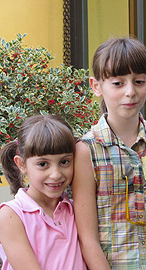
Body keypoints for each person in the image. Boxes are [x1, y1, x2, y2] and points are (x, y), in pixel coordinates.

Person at [72, 37, 146, 270]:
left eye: (139, 81)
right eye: (118, 83)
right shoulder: (86, 151)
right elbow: (88, 238)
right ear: (96, 86)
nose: (130, 92)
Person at [0, 115, 86, 270]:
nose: (56, 174)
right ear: (22, 164)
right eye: (42, 164)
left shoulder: (76, 209)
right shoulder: (11, 215)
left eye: (64, 162)